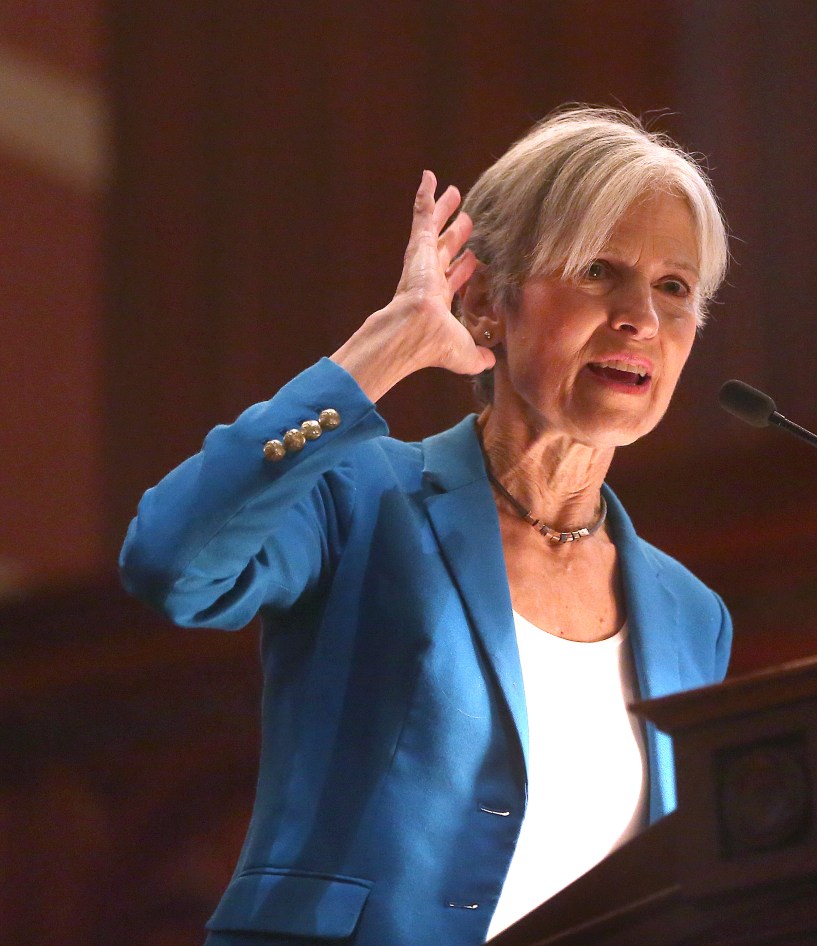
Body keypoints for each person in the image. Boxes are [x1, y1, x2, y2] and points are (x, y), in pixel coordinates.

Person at [119, 106, 732, 946]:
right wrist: (382, 353)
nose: (642, 319)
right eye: (597, 269)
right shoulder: (360, 498)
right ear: (484, 298)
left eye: (674, 288)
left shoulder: (694, 616)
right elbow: (171, 562)